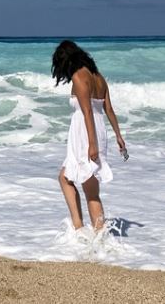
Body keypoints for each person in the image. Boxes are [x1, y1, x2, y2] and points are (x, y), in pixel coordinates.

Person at [51, 40, 126, 235]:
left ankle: (81, 231)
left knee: (75, 182)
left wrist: (91, 144)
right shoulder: (99, 77)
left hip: (86, 134)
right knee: (86, 187)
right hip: (99, 132)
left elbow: (87, 113)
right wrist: (118, 136)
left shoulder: (79, 76)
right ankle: (97, 236)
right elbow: (108, 109)